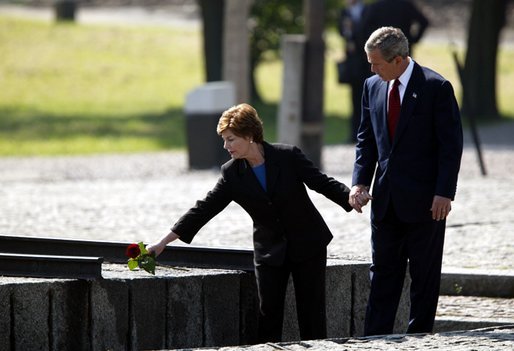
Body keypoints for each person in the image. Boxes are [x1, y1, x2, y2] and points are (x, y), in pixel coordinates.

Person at [147, 103, 354, 342]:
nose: (226, 146)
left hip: (308, 243)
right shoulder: (231, 173)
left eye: (231, 139)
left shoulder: (287, 156)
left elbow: (320, 182)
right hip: (270, 251)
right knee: (268, 317)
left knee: (312, 314)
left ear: (250, 135)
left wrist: (349, 196)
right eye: (224, 140)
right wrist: (163, 242)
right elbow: (203, 209)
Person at [349, 27, 463, 336]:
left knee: (424, 276)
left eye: (377, 63)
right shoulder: (372, 86)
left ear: (399, 59)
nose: (371, 69)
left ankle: (419, 337)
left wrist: (444, 192)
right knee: (383, 272)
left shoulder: (435, 87)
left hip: (426, 202)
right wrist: (360, 183)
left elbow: (450, 146)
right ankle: (375, 337)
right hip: (386, 201)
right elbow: (366, 141)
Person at [338, 0, 372, 143]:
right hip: (353, 62)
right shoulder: (345, 12)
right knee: (354, 99)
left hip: (367, 61)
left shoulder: (368, 10)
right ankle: (354, 134)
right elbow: (342, 32)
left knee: (369, 97)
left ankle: (369, 133)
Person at [361, 0, 429, 56]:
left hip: (382, 47)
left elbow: (365, 27)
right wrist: (413, 40)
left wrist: (374, 41)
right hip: (402, 47)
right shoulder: (406, 5)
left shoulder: (376, 6)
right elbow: (424, 22)